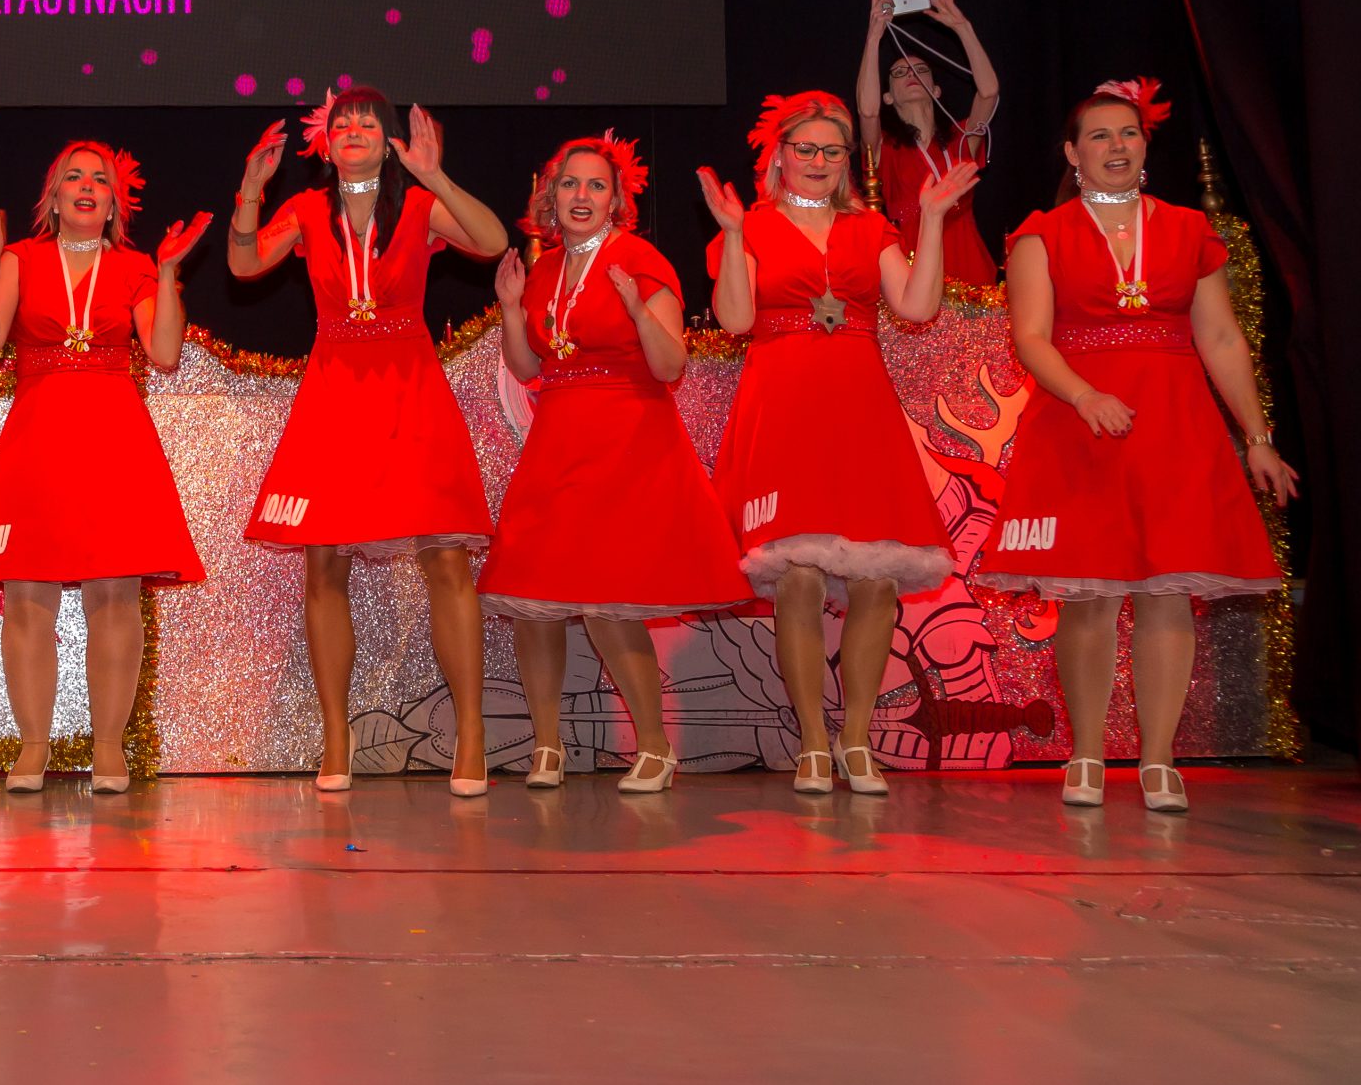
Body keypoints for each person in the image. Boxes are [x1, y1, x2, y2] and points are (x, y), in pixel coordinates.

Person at [983, 78, 1293, 813]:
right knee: (1089, 597)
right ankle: (1086, 755)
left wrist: (1257, 437)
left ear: (1145, 147)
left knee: (1167, 594)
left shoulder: (1188, 229)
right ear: (1073, 152)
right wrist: (1084, 394)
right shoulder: (1043, 233)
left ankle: (1159, 760)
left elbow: (1221, 338)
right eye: (1099, 135)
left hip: (1174, 424)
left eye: (1128, 133)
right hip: (1080, 423)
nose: (1116, 146)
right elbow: (1031, 337)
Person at [227, 88, 510, 796]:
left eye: (368, 121)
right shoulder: (305, 210)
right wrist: (251, 193)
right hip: (335, 391)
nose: (353, 128)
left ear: (389, 143)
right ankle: (336, 736)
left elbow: (492, 241)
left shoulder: (416, 207)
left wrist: (434, 175)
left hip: (409, 385)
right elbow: (243, 266)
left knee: (444, 556)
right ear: (325, 143)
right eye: (341, 121)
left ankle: (471, 733)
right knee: (323, 562)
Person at [699, 91, 978, 794]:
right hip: (784, 404)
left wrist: (933, 218)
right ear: (779, 156)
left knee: (877, 579)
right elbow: (735, 319)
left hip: (859, 406)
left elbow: (917, 305)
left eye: (832, 150)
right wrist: (731, 234)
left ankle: (856, 741)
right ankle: (813, 745)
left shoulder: (869, 226)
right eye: (807, 148)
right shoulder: (751, 225)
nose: (819, 161)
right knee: (795, 576)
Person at [476, 134, 749, 793]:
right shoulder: (544, 269)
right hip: (558, 439)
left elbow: (671, 364)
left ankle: (654, 748)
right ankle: (547, 747)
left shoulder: (639, 259)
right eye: (571, 184)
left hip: (626, 436)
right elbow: (529, 366)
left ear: (616, 199)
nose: (582, 195)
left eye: (596, 185)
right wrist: (510, 308)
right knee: (535, 598)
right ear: (551, 194)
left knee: (608, 602)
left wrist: (636, 310)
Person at [0, 143, 211, 794]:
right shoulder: (20, 257)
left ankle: (108, 749)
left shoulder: (133, 266)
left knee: (114, 593)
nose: (88, 185)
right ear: (54, 196)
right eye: (75, 176)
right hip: (38, 437)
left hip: (112, 437)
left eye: (101, 179)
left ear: (115, 204)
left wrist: (169, 274)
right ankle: (32, 748)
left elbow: (164, 352)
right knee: (26, 594)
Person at [859, 0, 1002, 284]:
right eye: (899, 73)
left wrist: (962, 27)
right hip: (912, 268)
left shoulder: (961, 138)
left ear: (936, 90)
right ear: (888, 97)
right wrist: (873, 37)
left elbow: (989, 93)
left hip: (969, 265)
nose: (911, 74)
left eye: (920, 69)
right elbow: (867, 112)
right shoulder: (885, 146)